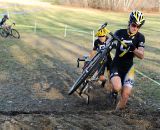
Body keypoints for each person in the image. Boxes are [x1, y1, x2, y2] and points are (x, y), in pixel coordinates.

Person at [110, 10, 145, 111]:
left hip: (129, 68)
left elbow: (141, 55)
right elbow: (108, 42)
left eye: (138, 26)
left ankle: (114, 116)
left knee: (125, 95)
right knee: (117, 87)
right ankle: (114, 91)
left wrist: (134, 48)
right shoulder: (119, 32)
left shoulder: (140, 37)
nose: (135, 28)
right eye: (134, 25)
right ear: (129, 23)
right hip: (116, 64)